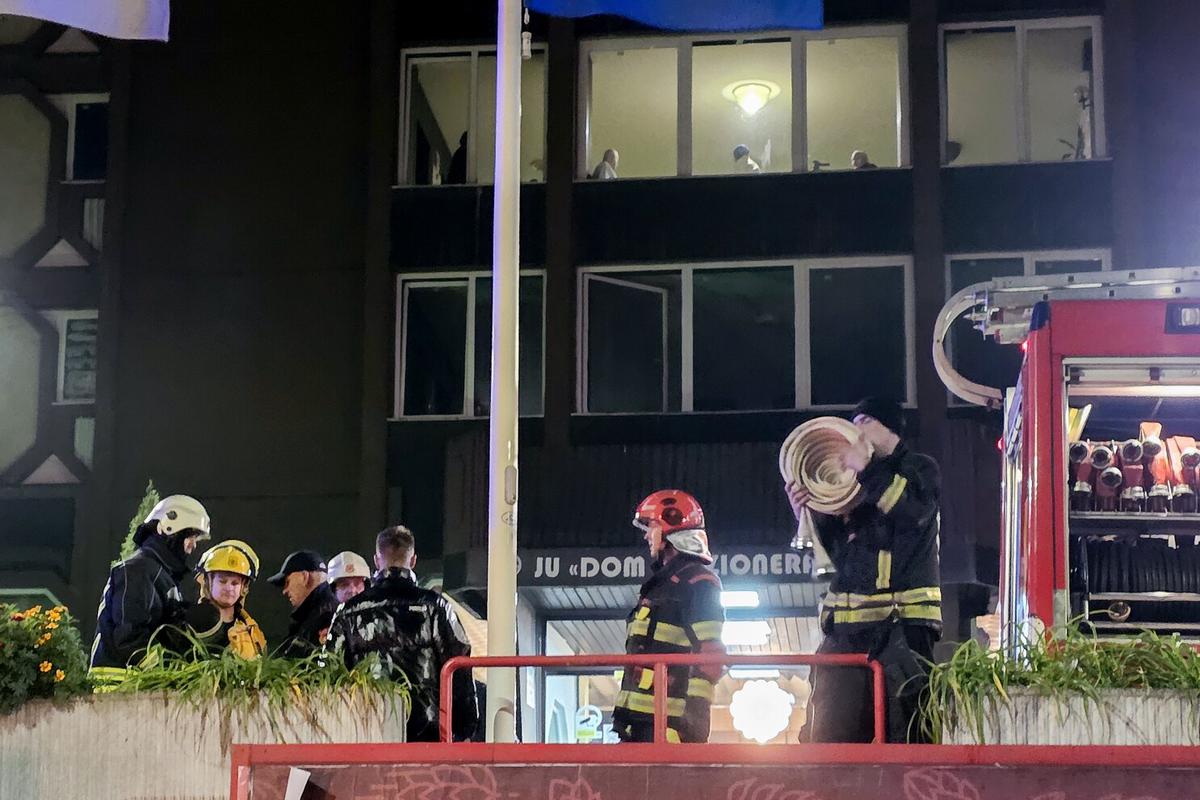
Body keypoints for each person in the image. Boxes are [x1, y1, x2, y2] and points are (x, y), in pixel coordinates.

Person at [787, 397, 941, 743]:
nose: (855, 433)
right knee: (828, 738)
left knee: (905, 737)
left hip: (902, 631)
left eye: (865, 422)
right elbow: (838, 557)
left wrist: (869, 469)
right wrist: (809, 513)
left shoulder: (919, 468)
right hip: (845, 634)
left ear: (890, 428)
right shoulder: (854, 483)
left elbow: (913, 514)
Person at [325, 525, 478, 742]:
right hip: (429, 731)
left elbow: (329, 670)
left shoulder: (348, 611)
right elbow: (459, 663)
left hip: (370, 729)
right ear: (413, 560)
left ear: (377, 560)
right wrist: (465, 726)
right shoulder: (436, 606)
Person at [613, 490, 726, 743]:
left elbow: (711, 655)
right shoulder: (660, 586)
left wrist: (690, 724)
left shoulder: (699, 582)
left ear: (669, 529)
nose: (646, 535)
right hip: (637, 725)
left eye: (651, 526)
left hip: (669, 728)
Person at [89, 494, 212, 689]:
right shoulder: (138, 571)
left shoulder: (159, 574)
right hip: (120, 689)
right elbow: (129, 638)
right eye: (190, 536)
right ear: (168, 528)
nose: (193, 545)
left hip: (137, 690)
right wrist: (172, 671)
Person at [184, 539, 267, 659]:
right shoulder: (190, 624)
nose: (229, 588)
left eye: (235, 583)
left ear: (243, 587)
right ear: (208, 582)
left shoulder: (252, 632)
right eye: (222, 581)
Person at [268, 549, 337, 657]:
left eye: (287, 582)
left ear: (305, 577)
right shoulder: (319, 612)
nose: (284, 591)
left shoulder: (325, 617)